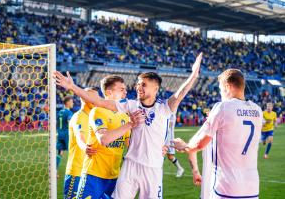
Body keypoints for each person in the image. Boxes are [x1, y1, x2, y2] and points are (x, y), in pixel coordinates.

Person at [53, 53, 202, 198]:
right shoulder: (130, 105)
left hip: (152, 168)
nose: (138, 87)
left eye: (143, 85)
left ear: (155, 89)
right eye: (138, 84)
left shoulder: (163, 108)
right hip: (130, 166)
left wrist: (193, 76)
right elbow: (99, 101)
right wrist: (72, 87)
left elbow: (179, 95)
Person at [172, 69, 263, 199]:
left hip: (227, 187)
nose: (221, 94)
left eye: (220, 89)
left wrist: (183, 146)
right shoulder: (257, 110)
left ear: (227, 86)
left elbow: (199, 144)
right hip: (252, 187)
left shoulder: (223, 107)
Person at [76, 76, 143, 199]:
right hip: (94, 174)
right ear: (109, 93)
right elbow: (103, 139)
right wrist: (129, 124)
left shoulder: (124, 115)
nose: (125, 92)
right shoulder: (98, 111)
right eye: (121, 89)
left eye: (125, 89)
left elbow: (129, 143)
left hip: (114, 176)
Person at [64, 88, 98, 199]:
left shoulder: (94, 117)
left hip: (90, 172)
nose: (96, 100)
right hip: (76, 171)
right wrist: (85, 147)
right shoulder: (78, 117)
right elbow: (80, 137)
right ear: (84, 97)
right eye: (93, 97)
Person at [56, 96, 74, 174]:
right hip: (67, 134)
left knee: (60, 152)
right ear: (67, 103)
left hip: (59, 133)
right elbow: (70, 122)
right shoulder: (69, 112)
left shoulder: (59, 112)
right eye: (71, 101)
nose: (73, 103)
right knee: (72, 152)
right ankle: (72, 171)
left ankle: (55, 171)